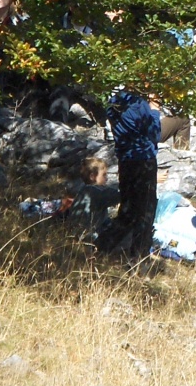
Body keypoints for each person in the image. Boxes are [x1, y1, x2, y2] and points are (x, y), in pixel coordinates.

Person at [96, 91, 160, 260]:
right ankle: (139, 258)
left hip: (125, 160)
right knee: (145, 211)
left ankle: (102, 246)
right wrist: (155, 111)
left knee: (128, 210)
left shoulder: (113, 102)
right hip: (143, 160)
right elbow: (155, 134)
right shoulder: (139, 104)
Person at [66, 157, 120, 241]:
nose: (107, 178)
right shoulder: (96, 192)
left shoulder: (83, 189)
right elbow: (115, 196)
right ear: (92, 176)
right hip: (90, 234)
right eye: (104, 175)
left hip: (77, 232)